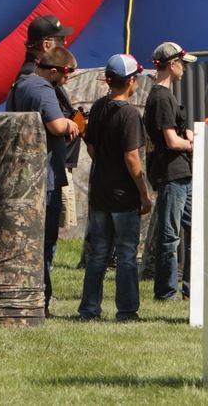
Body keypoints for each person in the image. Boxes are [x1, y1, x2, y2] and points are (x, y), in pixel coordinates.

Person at [6, 45, 80, 317]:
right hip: (43, 178)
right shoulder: (42, 89)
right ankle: (41, 302)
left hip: (25, 175)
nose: (67, 80)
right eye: (66, 74)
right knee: (44, 244)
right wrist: (71, 124)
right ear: (52, 71)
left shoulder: (20, 84)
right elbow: (57, 126)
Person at [79, 54, 153, 321]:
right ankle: (127, 310)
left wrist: (104, 163)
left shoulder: (98, 107)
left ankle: (89, 309)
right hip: (124, 197)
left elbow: (90, 145)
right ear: (131, 81)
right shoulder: (130, 114)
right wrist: (144, 193)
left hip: (100, 192)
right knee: (126, 254)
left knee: (98, 254)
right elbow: (132, 157)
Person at [145, 41, 196, 301]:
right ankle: (166, 292)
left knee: (193, 230)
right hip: (172, 174)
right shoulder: (162, 97)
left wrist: (184, 133)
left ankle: (191, 289)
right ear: (173, 64)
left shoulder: (166, 96)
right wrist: (192, 142)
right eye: (183, 65)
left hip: (181, 173)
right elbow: (170, 141)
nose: (185, 70)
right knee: (170, 235)